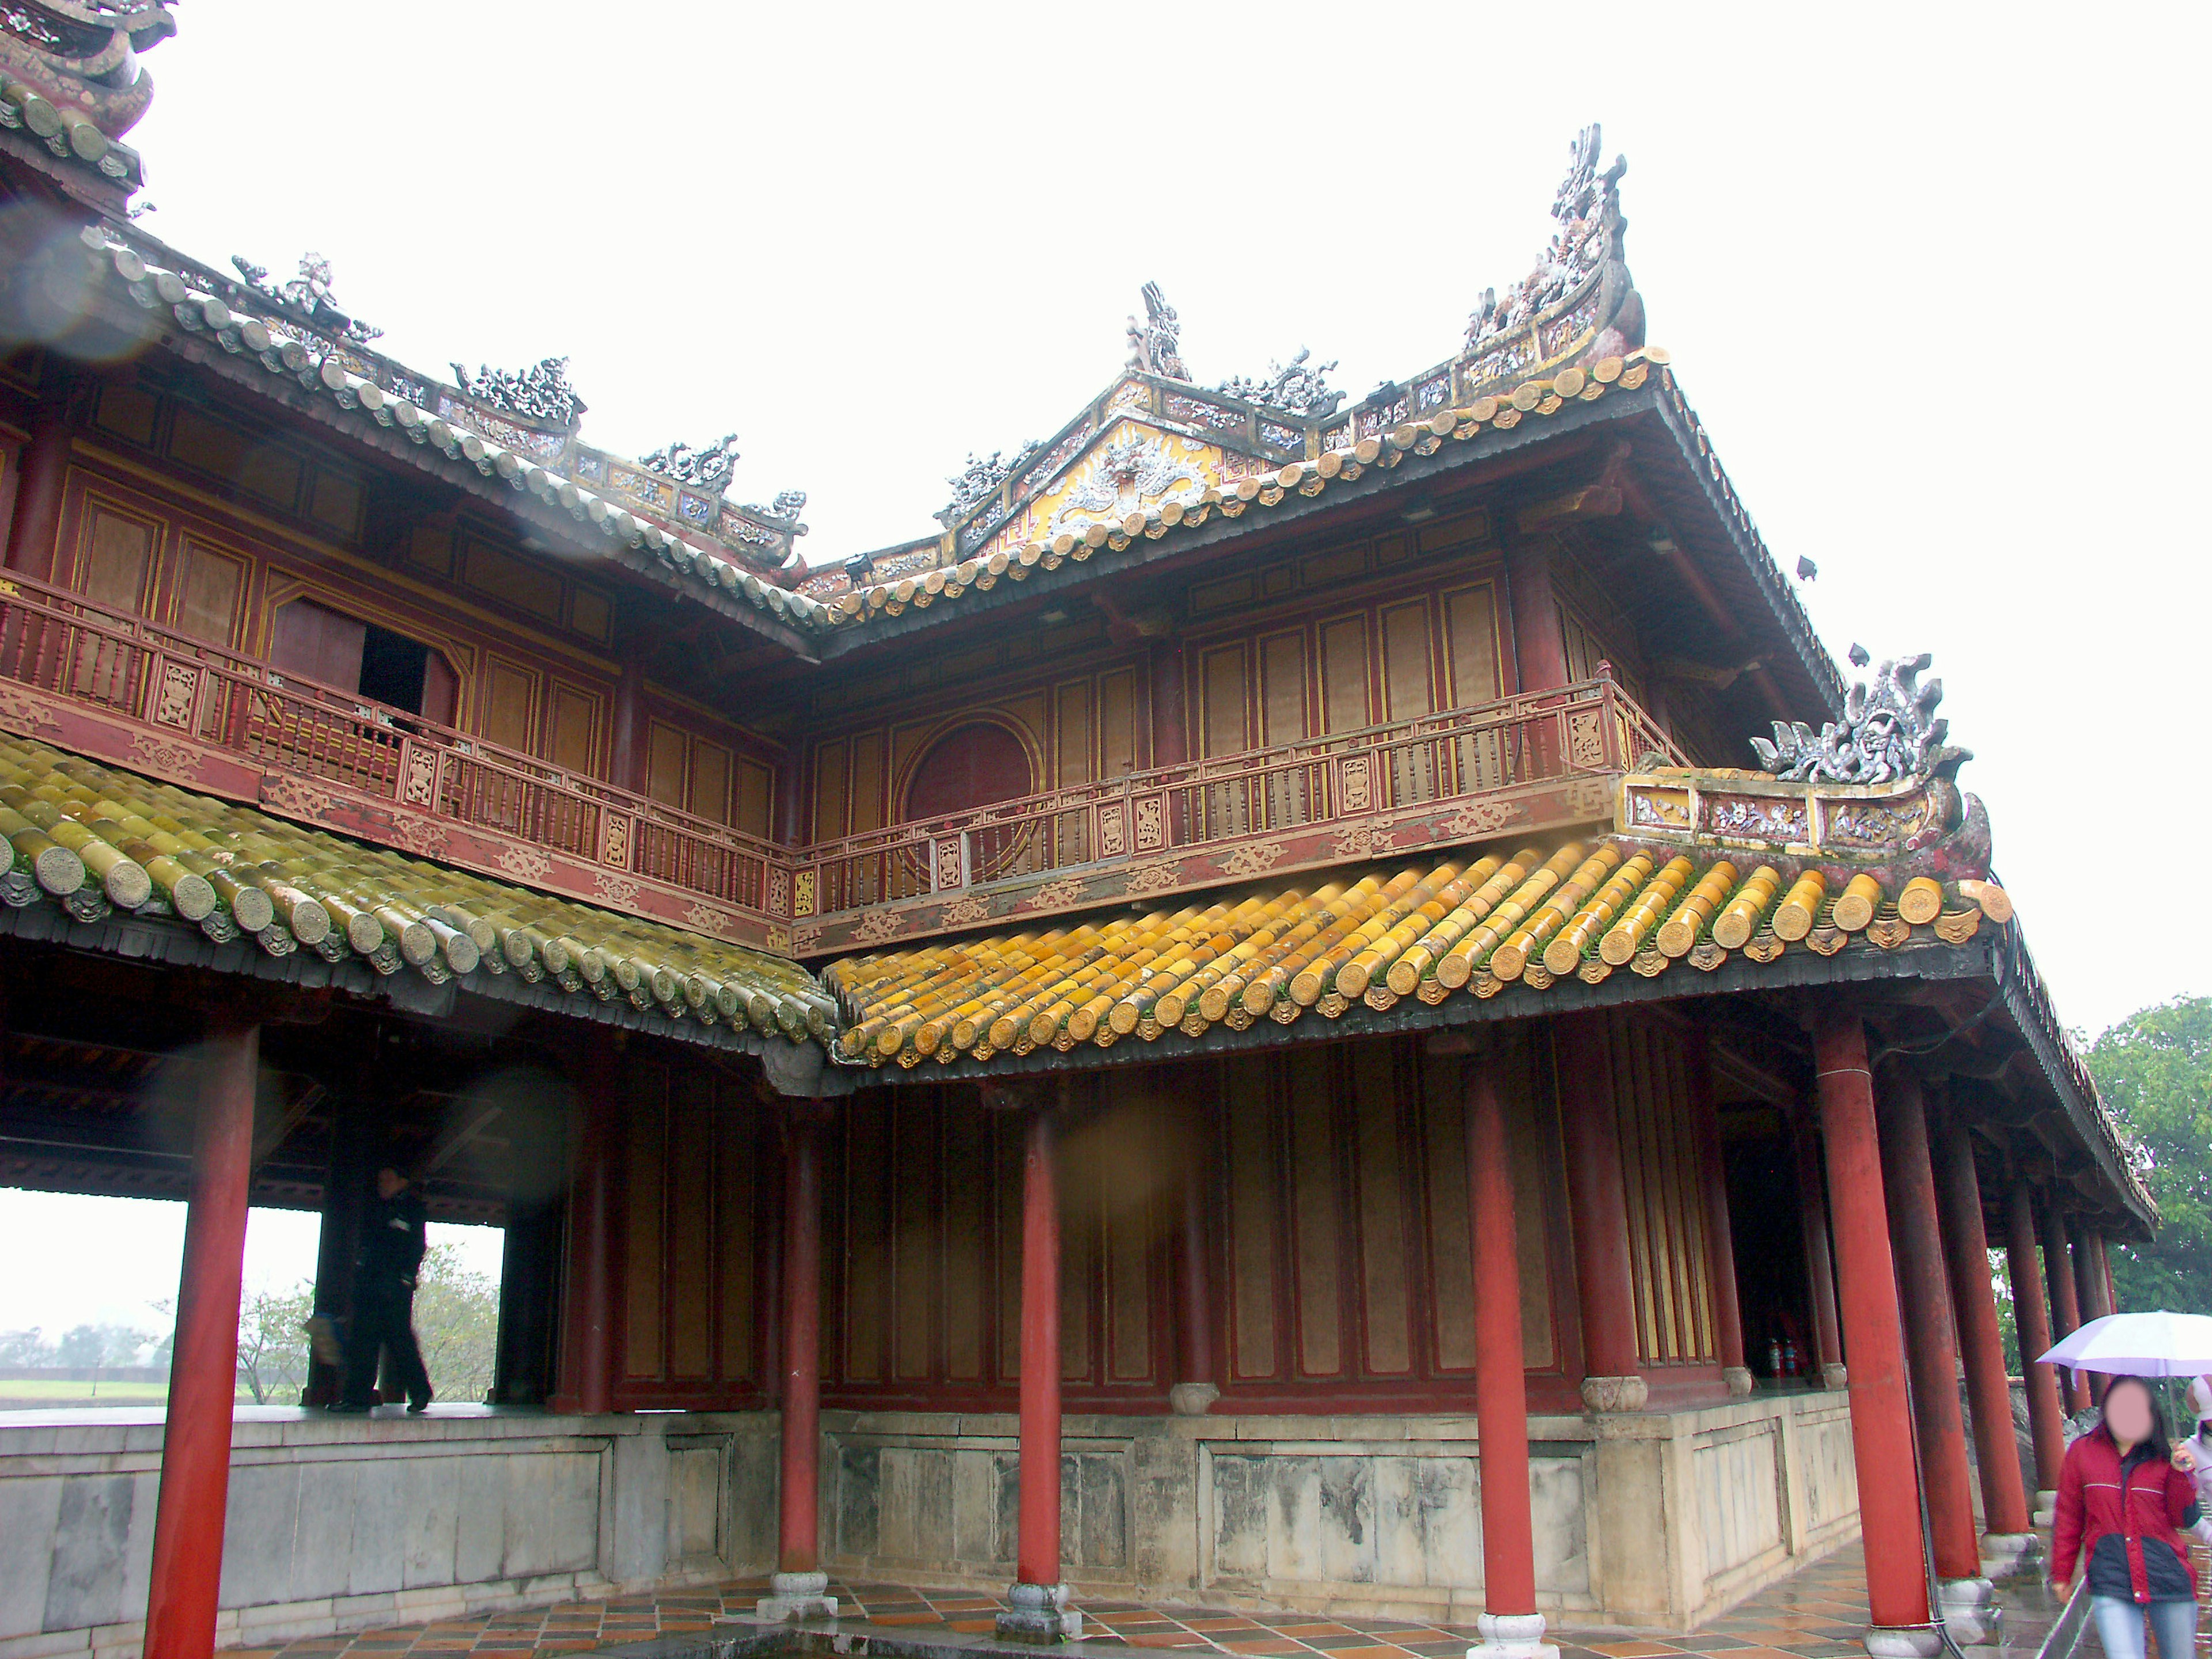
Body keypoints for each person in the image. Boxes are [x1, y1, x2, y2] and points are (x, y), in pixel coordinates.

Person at [2050, 1374, 2200, 1659]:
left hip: (2166, 1576)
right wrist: (2062, 1573)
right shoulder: (2082, 1453)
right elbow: (2069, 1516)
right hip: (2112, 1578)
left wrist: (2182, 1476)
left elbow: (2183, 1518)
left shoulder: (2165, 1457)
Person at [328, 1164, 433, 1414]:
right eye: (381, 1179)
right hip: (369, 1284)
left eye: (388, 1179)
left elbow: (417, 1247)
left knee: (399, 1340)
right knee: (363, 1340)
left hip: (395, 1287)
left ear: (402, 1181)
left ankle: (420, 1392)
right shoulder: (375, 1207)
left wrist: (405, 1278)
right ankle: (357, 1398)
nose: (382, 1184)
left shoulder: (413, 1209)